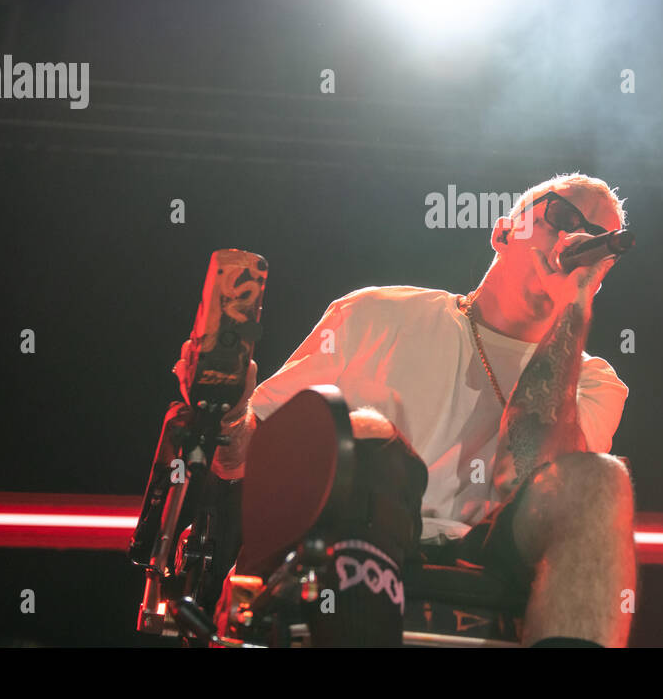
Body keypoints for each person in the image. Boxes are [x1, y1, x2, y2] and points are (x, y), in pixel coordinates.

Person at [190, 172, 634, 647]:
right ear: (503, 232)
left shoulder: (592, 381)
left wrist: (573, 309)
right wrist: (228, 410)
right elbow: (239, 460)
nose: (576, 238)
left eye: (600, 241)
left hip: (491, 557)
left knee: (600, 480)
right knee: (365, 436)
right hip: (348, 544)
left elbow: (522, 474)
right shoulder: (375, 314)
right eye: (561, 216)